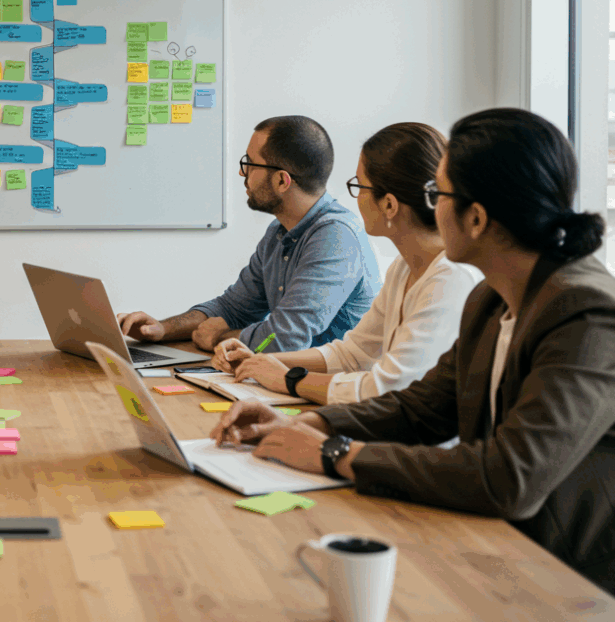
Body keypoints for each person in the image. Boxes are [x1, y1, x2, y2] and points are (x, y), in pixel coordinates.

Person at [209, 108, 615, 593]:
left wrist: (337, 452)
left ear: (478, 218)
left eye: (437, 194)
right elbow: (422, 406)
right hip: (494, 543)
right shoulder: (491, 296)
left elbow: (510, 477)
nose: (430, 207)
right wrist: (312, 424)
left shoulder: (585, 312)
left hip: (567, 578)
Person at [211, 123, 479, 404]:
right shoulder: (404, 268)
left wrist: (289, 379)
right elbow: (351, 354)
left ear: (389, 205)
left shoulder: (450, 279)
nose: (356, 198)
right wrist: (259, 361)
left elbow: (388, 386)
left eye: (359, 186)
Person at [118, 115, 380, 353]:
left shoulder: (336, 238)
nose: (243, 173)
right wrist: (161, 329)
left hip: (335, 390)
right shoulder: (279, 232)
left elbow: (283, 338)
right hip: (289, 380)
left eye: (250, 164)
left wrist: (221, 339)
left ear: (281, 181)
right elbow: (233, 307)